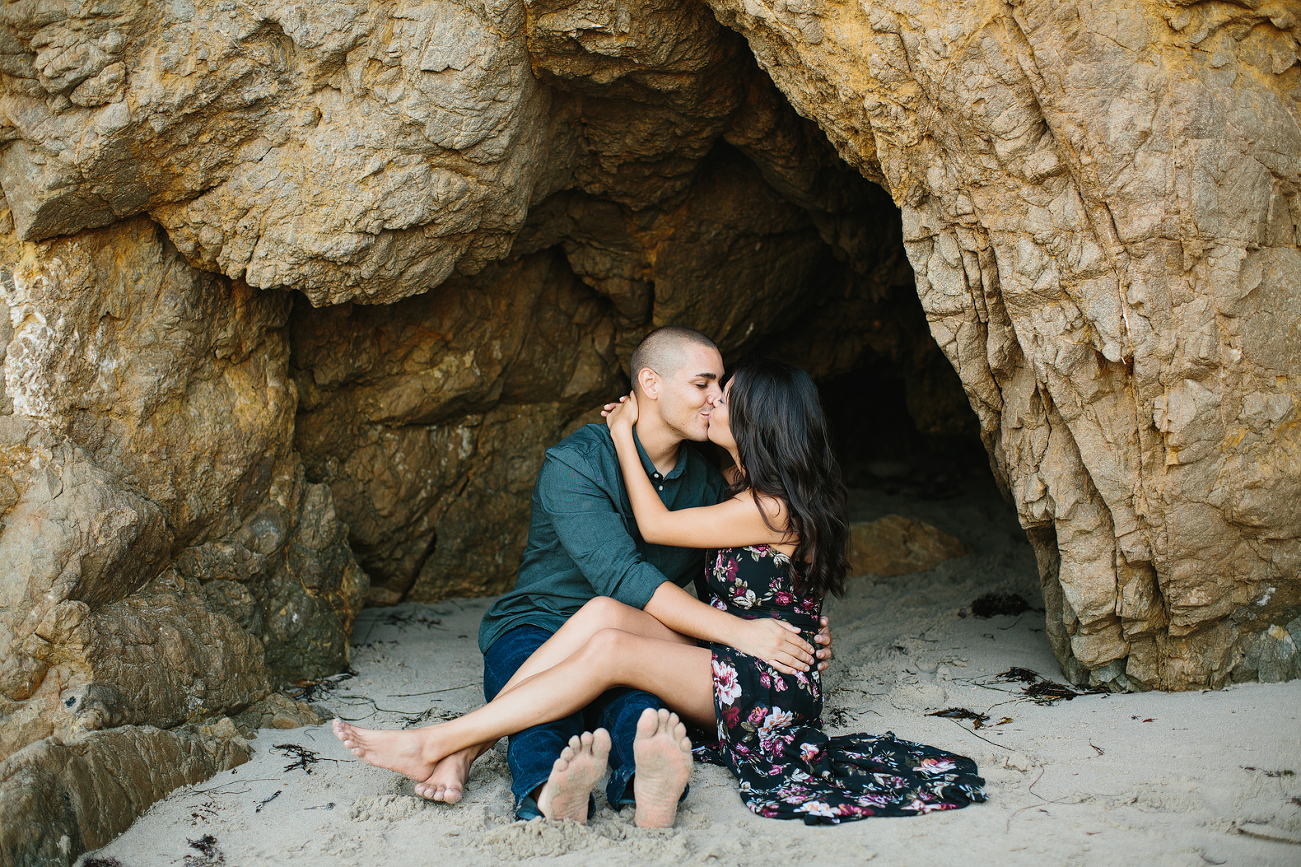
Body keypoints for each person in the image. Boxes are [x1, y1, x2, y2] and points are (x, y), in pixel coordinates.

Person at [335, 355, 985, 825]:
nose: (712, 402)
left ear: (757, 420)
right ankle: (462, 744)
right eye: (708, 387)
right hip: (745, 655)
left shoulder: (769, 505)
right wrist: (789, 626)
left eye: (723, 395)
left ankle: (440, 741)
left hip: (759, 682)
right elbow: (756, 596)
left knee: (610, 652)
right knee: (601, 614)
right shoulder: (735, 485)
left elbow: (654, 526)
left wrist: (621, 434)